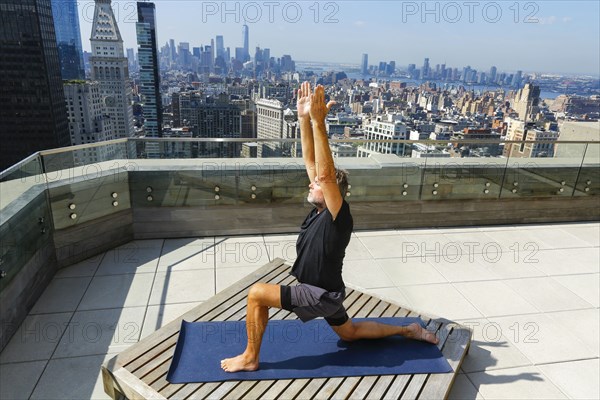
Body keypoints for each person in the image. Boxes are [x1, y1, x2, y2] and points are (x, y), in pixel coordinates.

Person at [221, 82, 439, 373]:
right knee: (349, 334)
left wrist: (319, 122)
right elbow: (311, 162)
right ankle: (408, 331)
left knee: (257, 294)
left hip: (319, 294)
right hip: (330, 291)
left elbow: (323, 173)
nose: (311, 182)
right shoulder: (321, 209)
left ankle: (250, 357)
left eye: (319, 184)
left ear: (333, 189)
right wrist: (302, 118)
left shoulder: (339, 216)